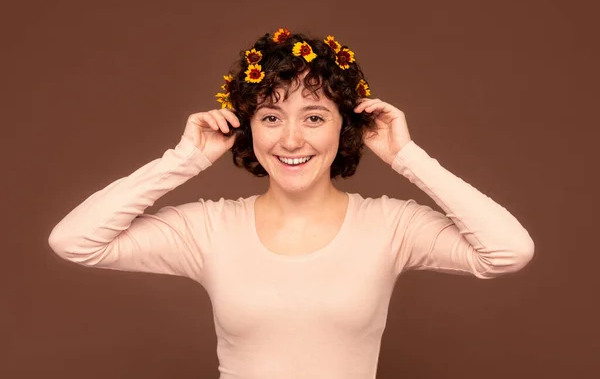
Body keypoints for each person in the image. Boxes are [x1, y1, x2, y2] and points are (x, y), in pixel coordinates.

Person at [48, 28, 535, 379]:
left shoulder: (391, 225)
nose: (292, 139)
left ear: (347, 126)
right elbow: (74, 241)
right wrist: (183, 160)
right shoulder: (209, 229)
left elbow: (508, 251)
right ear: (248, 127)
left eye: (315, 117)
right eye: (272, 117)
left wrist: (407, 157)